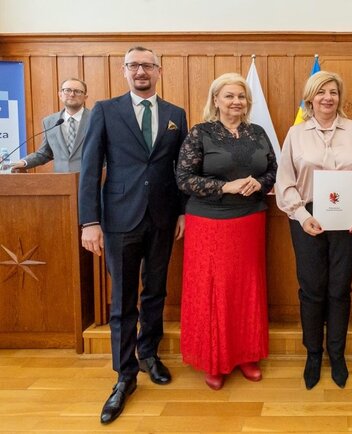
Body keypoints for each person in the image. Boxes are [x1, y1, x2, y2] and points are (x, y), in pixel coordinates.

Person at [78, 46, 188, 425]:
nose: (141, 71)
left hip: (162, 218)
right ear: (124, 71)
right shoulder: (105, 111)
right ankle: (124, 375)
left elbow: (180, 169)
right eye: (134, 65)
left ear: (159, 71)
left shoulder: (175, 114)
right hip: (119, 219)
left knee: (155, 292)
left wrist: (182, 212)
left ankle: (149, 354)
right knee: (123, 299)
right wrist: (89, 222)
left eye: (147, 65)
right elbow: (90, 168)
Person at [275, 71, 352, 390]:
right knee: (312, 289)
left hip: (347, 218)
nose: (327, 98)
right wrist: (302, 215)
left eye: (333, 92)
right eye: (321, 92)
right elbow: (284, 181)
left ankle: (337, 353)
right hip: (307, 218)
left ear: (339, 97)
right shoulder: (296, 134)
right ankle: (313, 354)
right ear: (310, 98)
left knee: (340, 288)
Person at [175, 73, 277, 391]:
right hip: (209, 224)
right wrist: (225, 186)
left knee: (246, 289)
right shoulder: (200, 133)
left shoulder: (257, 132)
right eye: (229, 96)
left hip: (249, 221)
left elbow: (273, 170)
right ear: (216, 100)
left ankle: (247, 355)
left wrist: (259, 183)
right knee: (213, 291)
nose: (236, 101)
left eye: (241, 96)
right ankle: (213, 359)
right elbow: (183, 178)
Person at [11, 78, 90, 172]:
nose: (72, 94)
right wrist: (25, 162)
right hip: (61, 178)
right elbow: (45, 153)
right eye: (67, 90)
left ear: (85, 97)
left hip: (92, 178)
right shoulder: (49, 122)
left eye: (77, 91)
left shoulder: (97, 119)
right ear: (60, 95)